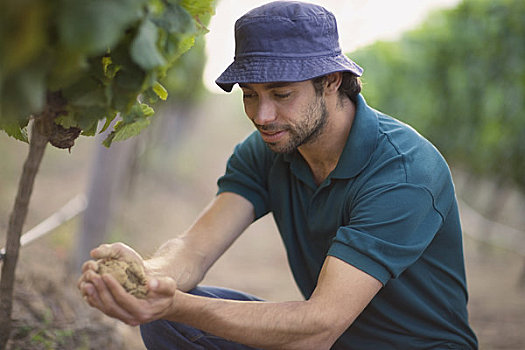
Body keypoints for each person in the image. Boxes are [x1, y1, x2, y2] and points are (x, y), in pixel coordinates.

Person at [78, 1, 478, 349]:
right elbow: (195, 248)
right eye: (249, 95)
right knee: (170, 323)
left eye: (281, 94)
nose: (262, 117)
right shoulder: (269, 150)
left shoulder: (402, 171)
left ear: (331, 81)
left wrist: (174, 303)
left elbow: (319, 327)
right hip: (331, 341)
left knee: (179, 313)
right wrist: (146, 278)